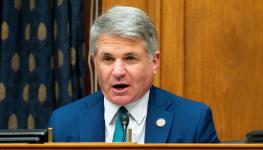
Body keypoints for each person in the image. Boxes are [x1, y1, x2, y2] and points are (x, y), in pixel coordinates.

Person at [48, 6, 220, 143]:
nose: (117, 72)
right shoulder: (63, 122)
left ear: (154, 62)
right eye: (107, 59)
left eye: (130, 58)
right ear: (94, 62)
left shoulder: (193, 121)